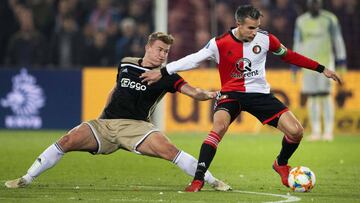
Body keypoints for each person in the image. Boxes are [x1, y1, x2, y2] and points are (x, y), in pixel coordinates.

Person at [140, 5, 343, 192]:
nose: (254, 32)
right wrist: (164, 71)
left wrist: (321, 68)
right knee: (218, 128)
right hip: (231, 94)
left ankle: (281, 163)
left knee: (296, 132)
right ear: (238, 25)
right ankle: (198, 179)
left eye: (257, 27)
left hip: (259, 94)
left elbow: (289, 55)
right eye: (250, 28)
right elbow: (192, 59)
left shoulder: (266, 39)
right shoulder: (218, 43)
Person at [4, 32, 231, 191]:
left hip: (137, 127)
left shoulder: (167, 76)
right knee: (67, 140)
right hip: (106, 124)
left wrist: (210, 94)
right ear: (148, 47)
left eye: (167, 51)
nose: (163, 55)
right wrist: (102, 115)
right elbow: (115, 89)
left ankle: (212, 181)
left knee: (170, 150)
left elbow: (193, 92)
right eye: (160, 49)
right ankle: (26, 178)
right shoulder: (126, 63)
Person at [292, 0, 347, 141]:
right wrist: (294, 65)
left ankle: (328, 131)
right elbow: (298, 42)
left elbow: (338, 40)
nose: (314, 6)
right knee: (312, 97)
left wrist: (341, 61)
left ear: (320, 4)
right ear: (308, 5)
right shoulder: (301, 21)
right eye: (312, 3)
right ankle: (316, 131)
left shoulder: (330, 19)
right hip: (308, 66)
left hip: (326, 65)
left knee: (326, 96)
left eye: (316, 3)